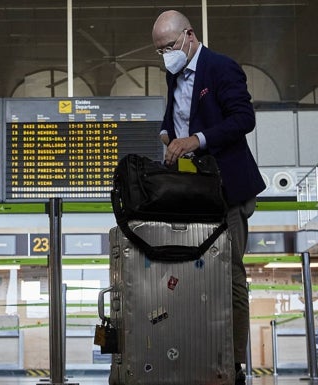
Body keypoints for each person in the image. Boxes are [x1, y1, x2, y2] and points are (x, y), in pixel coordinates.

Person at [151, 10, 266, 385]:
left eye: (169, 46)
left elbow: (243, 119)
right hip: (194, 190)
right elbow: (173, 118)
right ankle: (196, 352)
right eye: (160, 51)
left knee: (231, 278)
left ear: (189, 35)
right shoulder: (174, 74)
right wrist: (169, 136)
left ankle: (233, 365)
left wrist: (195, 140)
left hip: (228, 190)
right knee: (192, 277)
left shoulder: (221, 67)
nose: (166, 55)